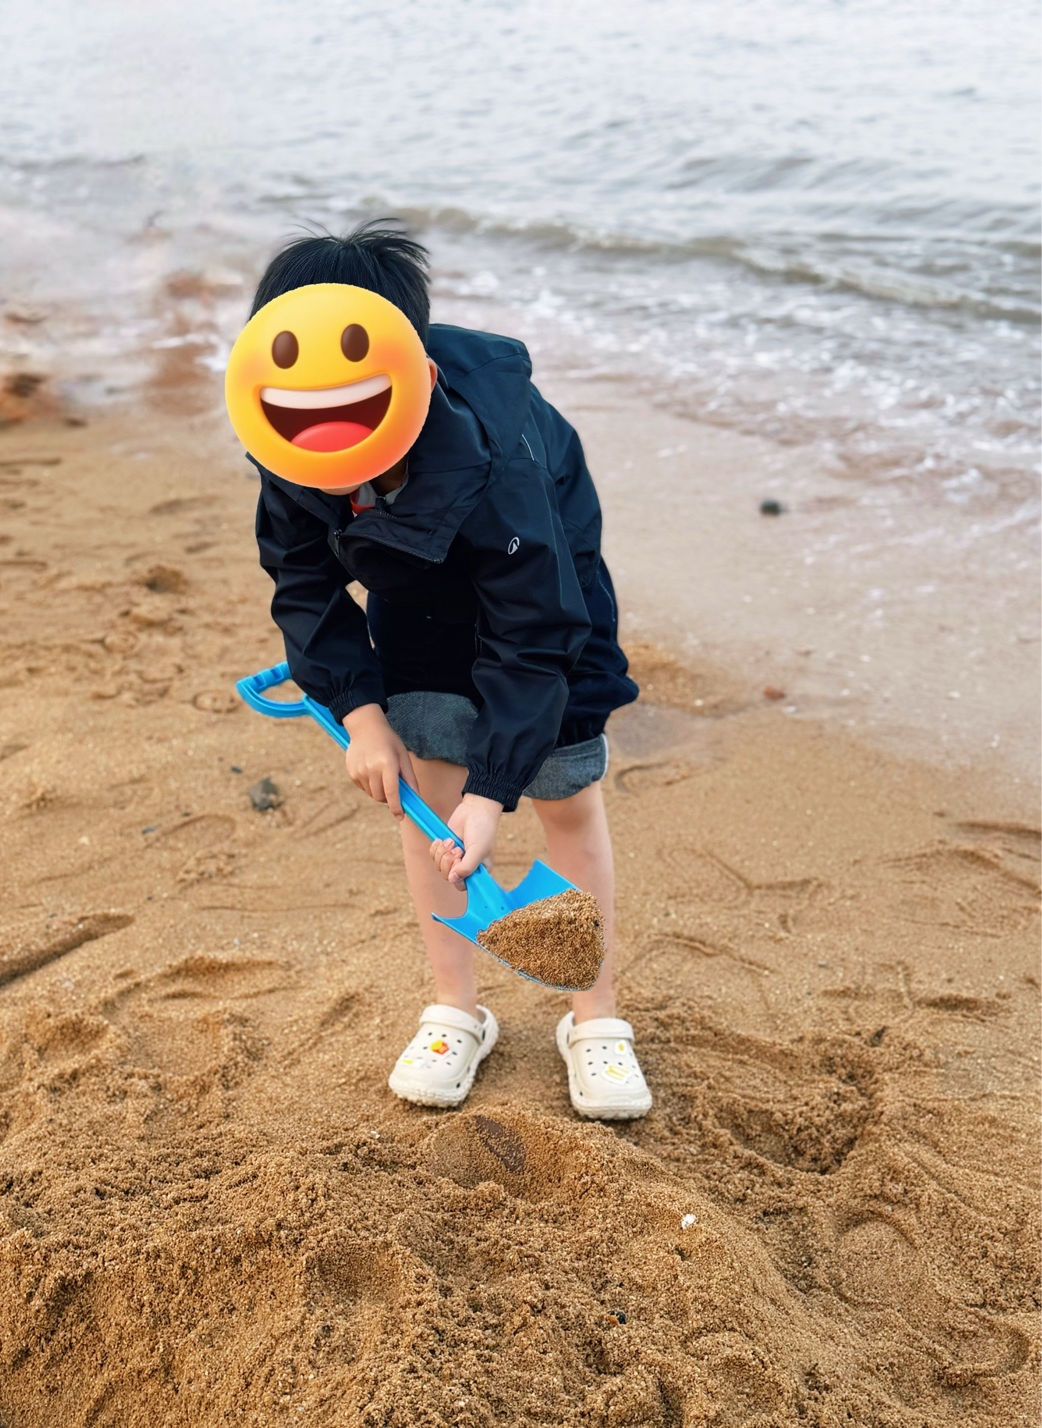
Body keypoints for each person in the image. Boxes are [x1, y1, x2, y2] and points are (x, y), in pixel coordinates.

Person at [249, 221, 652, 1119]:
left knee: (563, 796)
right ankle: (456, 1005)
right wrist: (360, 713)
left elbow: (534, 625)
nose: (331, 446)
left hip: (549, 605)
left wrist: (495, 790)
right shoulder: (290, 434)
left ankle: (593, 1013)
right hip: (417, 605)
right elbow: (303, 582)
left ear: (418, 375)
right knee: (427, 794)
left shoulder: (499, 457)